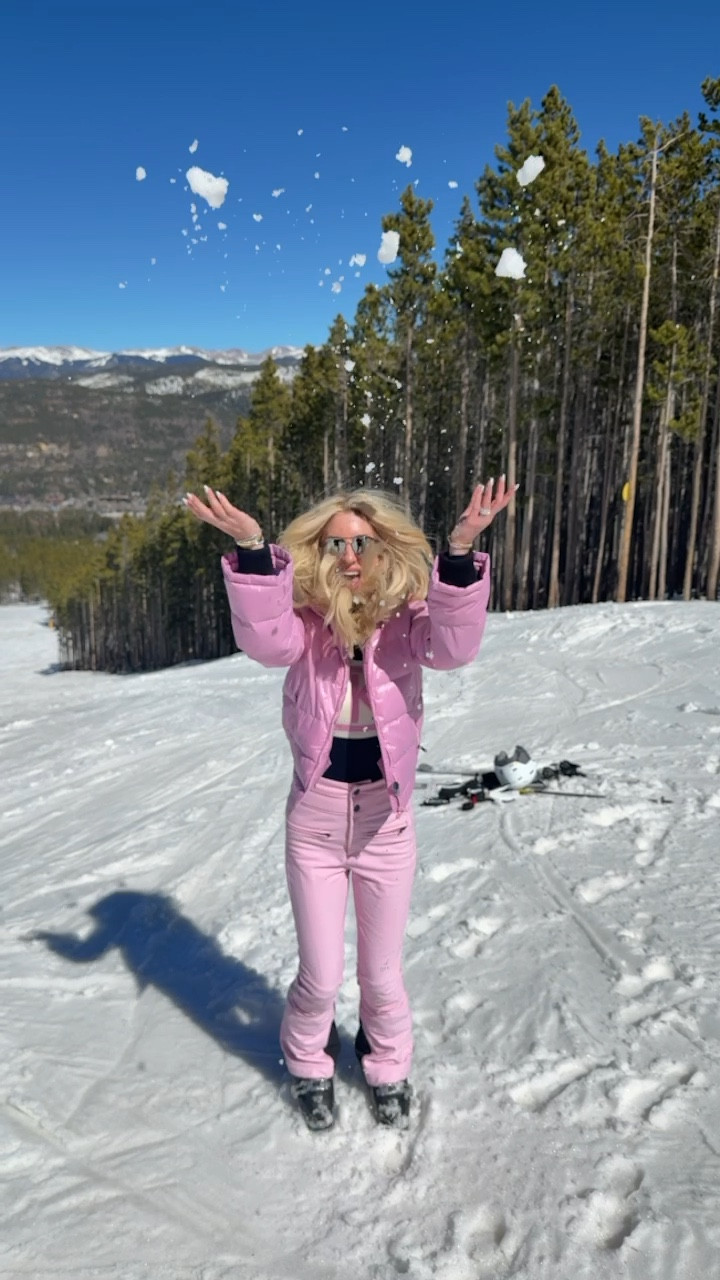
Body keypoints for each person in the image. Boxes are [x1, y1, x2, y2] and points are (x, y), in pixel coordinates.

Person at [185, 477, 517, 1130]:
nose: (350, 555)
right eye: (335, 543)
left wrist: (459, 551)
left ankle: (386, 1063)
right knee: (319, 975)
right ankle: (309, 1062)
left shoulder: (411, 619)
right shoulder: (303, 626)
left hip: (385, 827)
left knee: (383, 977)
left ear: (385, 547)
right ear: (319, 552)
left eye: (362, 541)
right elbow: (263, 641)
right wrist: (253, 548)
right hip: (313, 826)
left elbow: (455, 648)